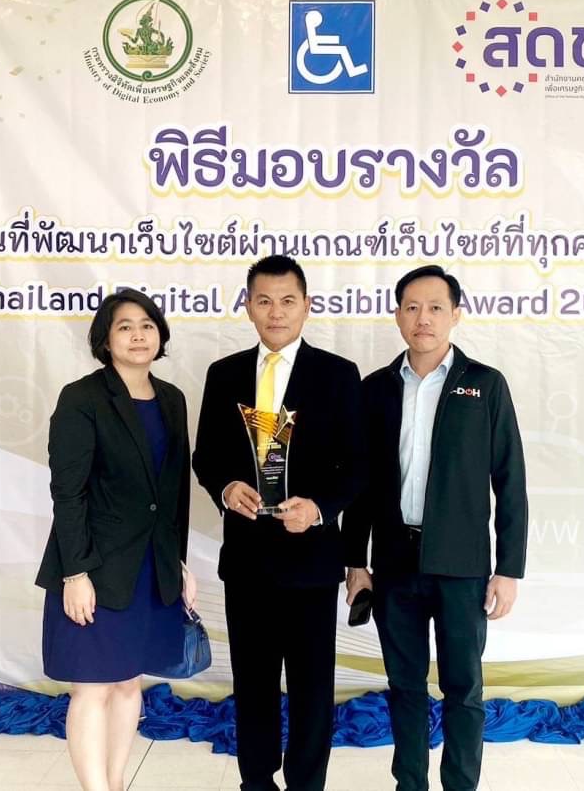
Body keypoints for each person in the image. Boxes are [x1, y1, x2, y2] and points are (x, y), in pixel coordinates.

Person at [343, 265, 528, 791]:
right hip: (394, 562)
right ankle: (410, 784)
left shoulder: (485, 385)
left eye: (435, 308)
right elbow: (360, 483)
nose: (423, 318)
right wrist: (356, 561)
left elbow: (510, 479)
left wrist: (508, 569)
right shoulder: (375, 389)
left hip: (462, 565)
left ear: (456, 315)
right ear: (398, 315)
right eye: (412, 307)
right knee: (404, 686)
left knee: (463, 688)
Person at [193, 256, 363, 791]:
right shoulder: (224, 374)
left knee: (313, 688)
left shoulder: (338, 374)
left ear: (307, 306)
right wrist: (226, 488)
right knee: (254, 687)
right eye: (263, 301)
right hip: (248, 562)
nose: (276, 312)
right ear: (248, 306)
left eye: (288, 301)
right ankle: (257, 782)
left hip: (312, 562)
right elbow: (206, 456)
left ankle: (307, 784)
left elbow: (358, 465)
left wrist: (319, 508)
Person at [35, 288, 198, 791]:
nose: (138, 335)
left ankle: (117, 781)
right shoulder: (82, 398)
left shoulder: (171, 399)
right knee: (92, 688)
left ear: (160, 335)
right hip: (95, 567)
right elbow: (68, 492)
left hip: (152, 568)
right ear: (106, 340)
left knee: (129, 683)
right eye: (125, 326)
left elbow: (173, 494)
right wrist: (75, 573)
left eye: (147, 325)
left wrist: (178, 564)